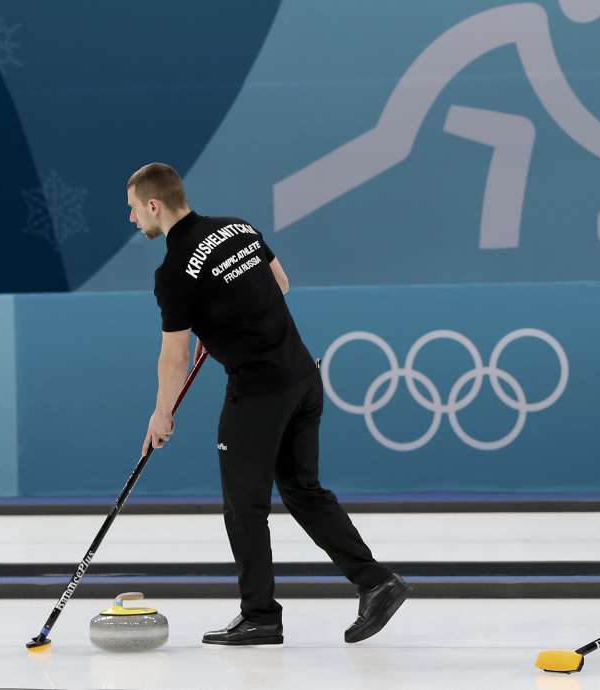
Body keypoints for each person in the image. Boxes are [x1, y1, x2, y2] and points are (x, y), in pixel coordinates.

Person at [128, 162, 409, 646]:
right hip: (302, 377)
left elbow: (173, 357)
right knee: (303, 490)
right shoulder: (237, 227)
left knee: (244, 506)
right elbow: (280, 282)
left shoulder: (173, 271)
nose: (133, 220)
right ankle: (375, 581)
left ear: (154, 205)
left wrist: (161, 413)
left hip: (258, 393)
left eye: (134, 209)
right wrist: (221, 322)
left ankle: (260, 615)